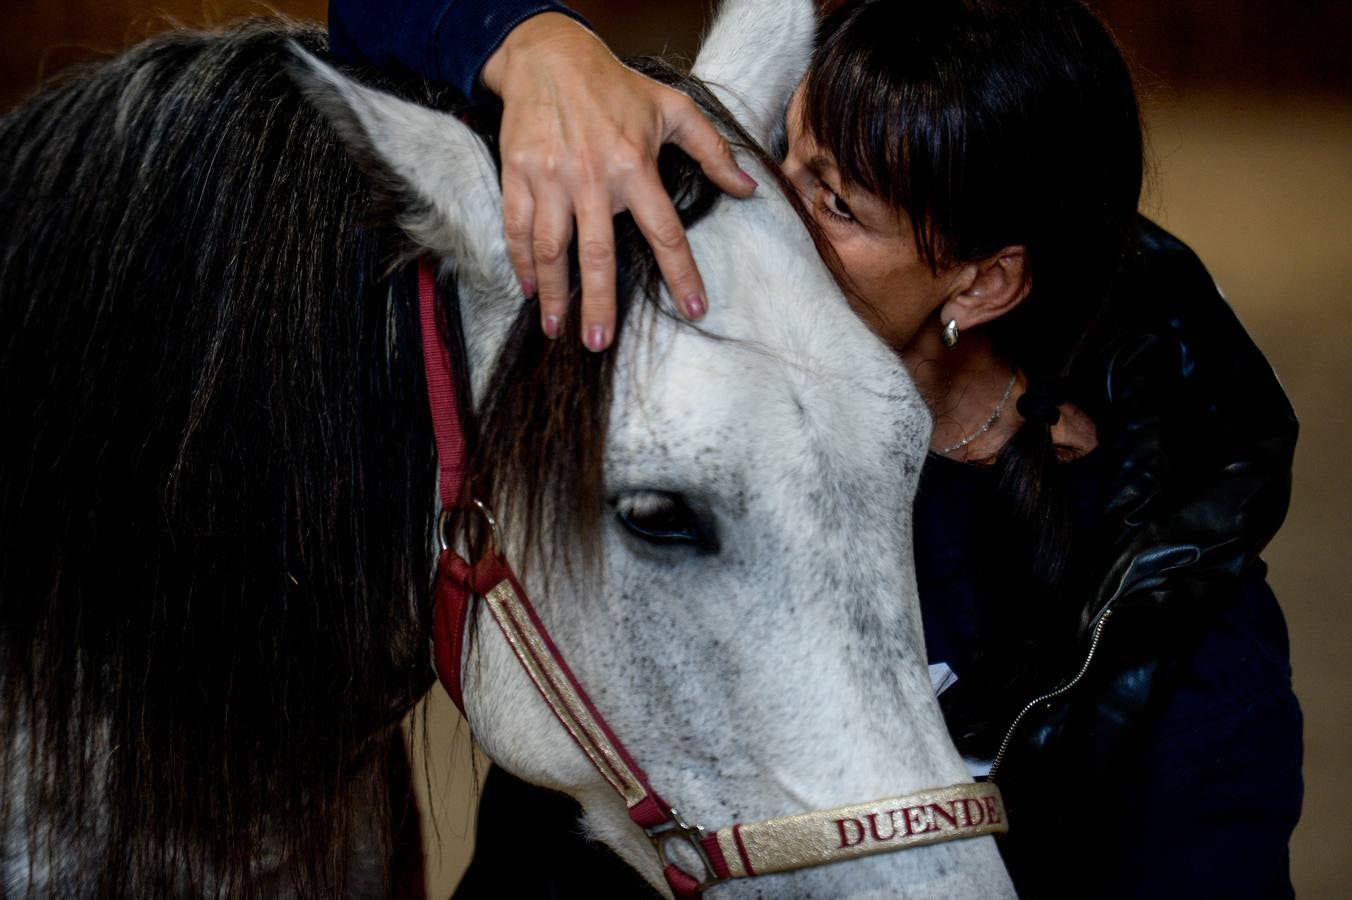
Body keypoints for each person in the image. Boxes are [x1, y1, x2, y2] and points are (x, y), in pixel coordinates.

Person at [328, 1, 1303, 896]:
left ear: (979, 285)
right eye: (782, 152)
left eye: (835, 205)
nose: (756, 207)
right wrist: (531, 44)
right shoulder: (711, 388)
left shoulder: (1179, 618)